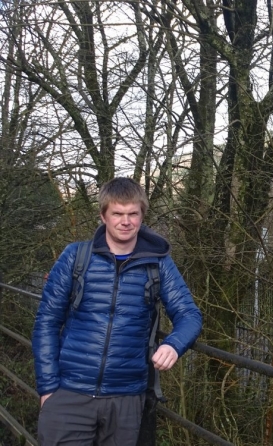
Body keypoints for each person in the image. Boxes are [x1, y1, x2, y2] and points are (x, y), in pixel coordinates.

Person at [32, 177, 203, 446]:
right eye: (118, 213)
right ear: (103, 216)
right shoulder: (75, 257)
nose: (126, 221)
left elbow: (189, 315)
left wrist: (174, 344)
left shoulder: (158, 264)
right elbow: (46, 322)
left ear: (142, 215)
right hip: (70, 393)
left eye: (133, 213)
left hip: (125, 400)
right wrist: (48, 388)